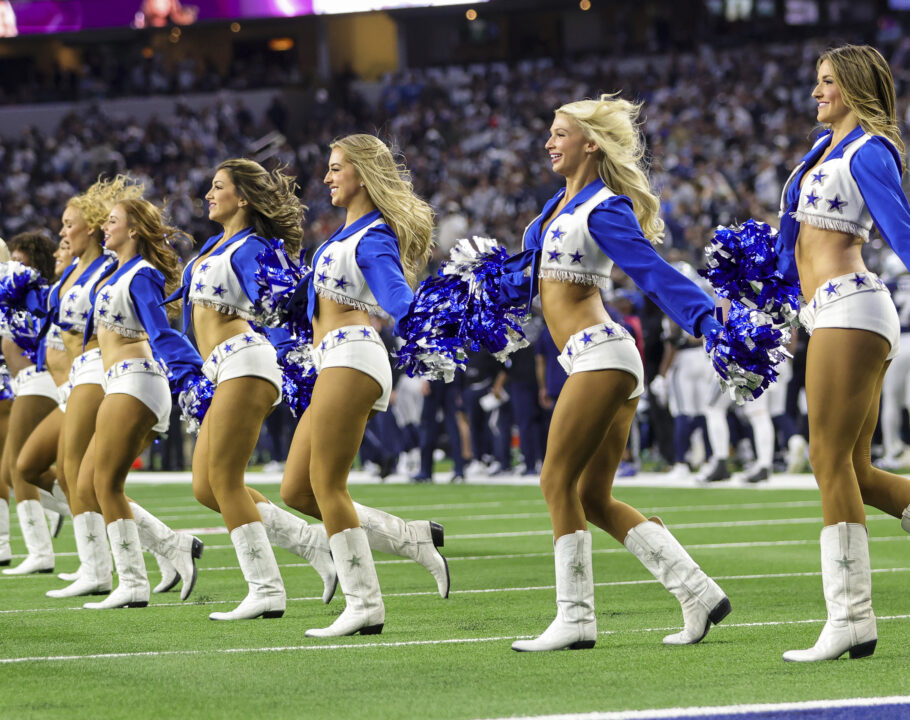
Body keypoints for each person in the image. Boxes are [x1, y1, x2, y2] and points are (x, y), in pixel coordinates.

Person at [500, 95, 730, 652]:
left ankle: (576, 618)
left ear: (590, 143)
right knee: (592, 497)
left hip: (601, 353)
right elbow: (514, 285)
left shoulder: (603, 208)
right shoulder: (553, 211)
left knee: (555, 479)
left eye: (560, 133)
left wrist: (705, 319)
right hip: (596, 357)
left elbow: (650, 272)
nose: (550, 143)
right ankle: (697, 591)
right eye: (549, 133)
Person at [280, 134, 449, 637]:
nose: (328, 177)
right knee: (297, 489)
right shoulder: (340, 234)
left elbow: (396, 294)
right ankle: (409, 538)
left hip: (354, 356)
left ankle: (364, 603)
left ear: (362, 175)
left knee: (328, 485)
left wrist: (425, 319)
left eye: (336, 168)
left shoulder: (372, 235)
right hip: (330, 359)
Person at [774, 45, 910, 662]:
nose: (816, 93)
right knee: (853, 470)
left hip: (851, 306)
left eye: (827, 83)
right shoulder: (822, 152)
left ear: (854, 88)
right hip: (830, 311)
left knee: (825, 458)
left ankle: (851, 617)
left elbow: (903, 232)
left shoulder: (868, 150)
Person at [44, 178, 200, 601]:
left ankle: (132, 583)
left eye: (113, 221)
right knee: (91, 484)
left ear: (133, 230)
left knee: (101, 483)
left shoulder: (144, 274)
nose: (104, 227)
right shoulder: (115, 271)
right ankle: (164, 555)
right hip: (120, 380)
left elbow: (159, 330)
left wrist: (191, 374)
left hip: (136, 378)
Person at [0, 232, 61, 575]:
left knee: (17, 466)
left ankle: (40, 551)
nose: (14, 268)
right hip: (25, 382)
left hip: (37, 380)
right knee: (23, 467)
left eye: (20, 263)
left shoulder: (33, 293)